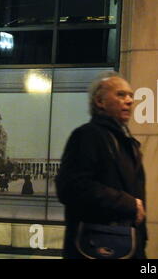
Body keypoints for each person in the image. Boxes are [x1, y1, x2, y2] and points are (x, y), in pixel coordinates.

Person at [55, 72, 147, 259]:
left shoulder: (128, 143)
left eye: (130, 95)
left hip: (128, 246)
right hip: (96, 248)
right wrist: (129, 203)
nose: (129, 100)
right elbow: (71, 187)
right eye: (120, 95)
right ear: (100, 101)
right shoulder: (87, 136)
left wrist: (142, 240)